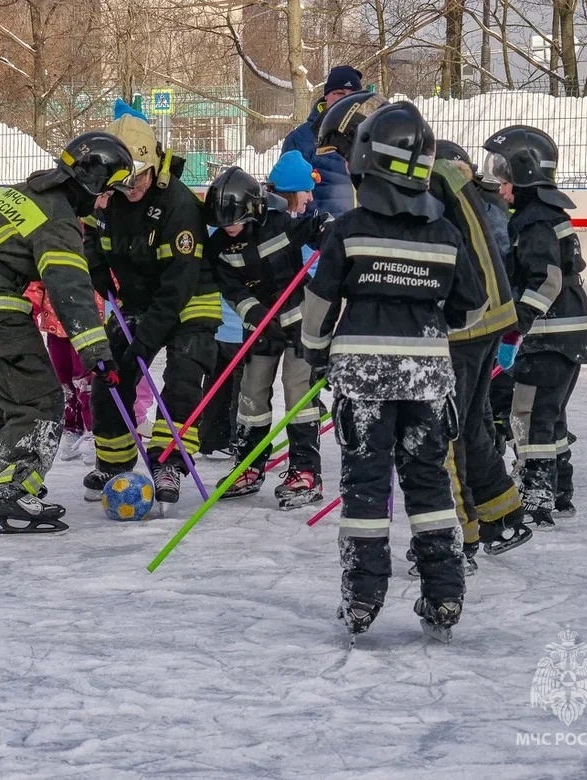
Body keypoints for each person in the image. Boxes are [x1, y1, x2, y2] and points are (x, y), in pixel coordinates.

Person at [300, 101, 487, 642]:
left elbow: (319, 303)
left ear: (365, 163)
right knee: (429, 484)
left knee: (365, 486)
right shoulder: (446, 235)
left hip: (362, 381)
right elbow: (469, 308)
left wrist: (316, 351)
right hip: (427, 378)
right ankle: (445, 594)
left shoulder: (350, 229)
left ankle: (363, 598)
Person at [0, 131, 133, 534]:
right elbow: (69, 289)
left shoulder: (20, 191)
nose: (104, 203)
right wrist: (97, 351)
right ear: (91, 182)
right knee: (41, 402)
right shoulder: (58, 218)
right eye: (106, 192)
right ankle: (9, 491)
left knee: (10, 403)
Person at [83, 111, 221, 505]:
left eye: (139, 178)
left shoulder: (178, 206)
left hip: (190, 300)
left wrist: (144, 340)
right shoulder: (109, 195)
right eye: (124, 181)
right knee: (109, 373)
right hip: (136, 299)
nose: (132, 188)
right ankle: (114, 463)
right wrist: (96, 268)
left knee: (182, 377)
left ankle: (170, 462)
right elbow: (91, 231)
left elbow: (177, 287)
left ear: (155, 163)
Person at [425, 140, 532, 566]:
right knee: (470, 427)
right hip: (490, 320)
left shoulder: (433, 184)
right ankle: (500, 515)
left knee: (445, 433)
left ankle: (459, 534)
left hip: (466, 325)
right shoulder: (468, 191)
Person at [482, 125, 587, 529]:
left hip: (549, 336)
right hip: (567, 334)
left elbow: (546, 279)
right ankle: (560, 491)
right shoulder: (546, 214)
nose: (500, 184)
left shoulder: (534, 220)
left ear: (525, 173)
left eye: (504, 173)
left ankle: (537, 494)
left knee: (528, 416)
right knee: (551, 416)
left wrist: (516, 329)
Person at [206, 159, 329, 507]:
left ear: (254, 210)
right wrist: (255, 315)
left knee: (297, 391)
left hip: (299, 321)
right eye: (223, 224)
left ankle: (305, 470)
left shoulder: (279, 224)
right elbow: (231, 289)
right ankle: (249, 464)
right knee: (251, 393)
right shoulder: (219, 247)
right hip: (259, 327)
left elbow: (314, 229)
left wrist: (326, 228)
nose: (229, 229)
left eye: (237, 222)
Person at [24, 280, 99, 462]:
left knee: (86, 381)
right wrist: (28, 308)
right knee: (63, 379)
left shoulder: (92, 251)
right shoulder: (47, 252)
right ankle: (72, 427)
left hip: (88, 323)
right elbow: (36, 281)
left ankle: (94, 431)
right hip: (55, 323)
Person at [281, 66, 364, 217]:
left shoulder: (367, 136)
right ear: (326, 95)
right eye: (339, 93)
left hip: (360, 236)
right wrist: (315, 231)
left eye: (354, 95)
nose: (347, 100)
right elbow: (292, 201)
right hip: (321, 236)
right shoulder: (300, 139)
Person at [197, 293, 244, 460]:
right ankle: (241, 443)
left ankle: (215, 439)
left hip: (218, 325)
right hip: (243, 328)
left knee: (219, 380)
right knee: (246, 388)